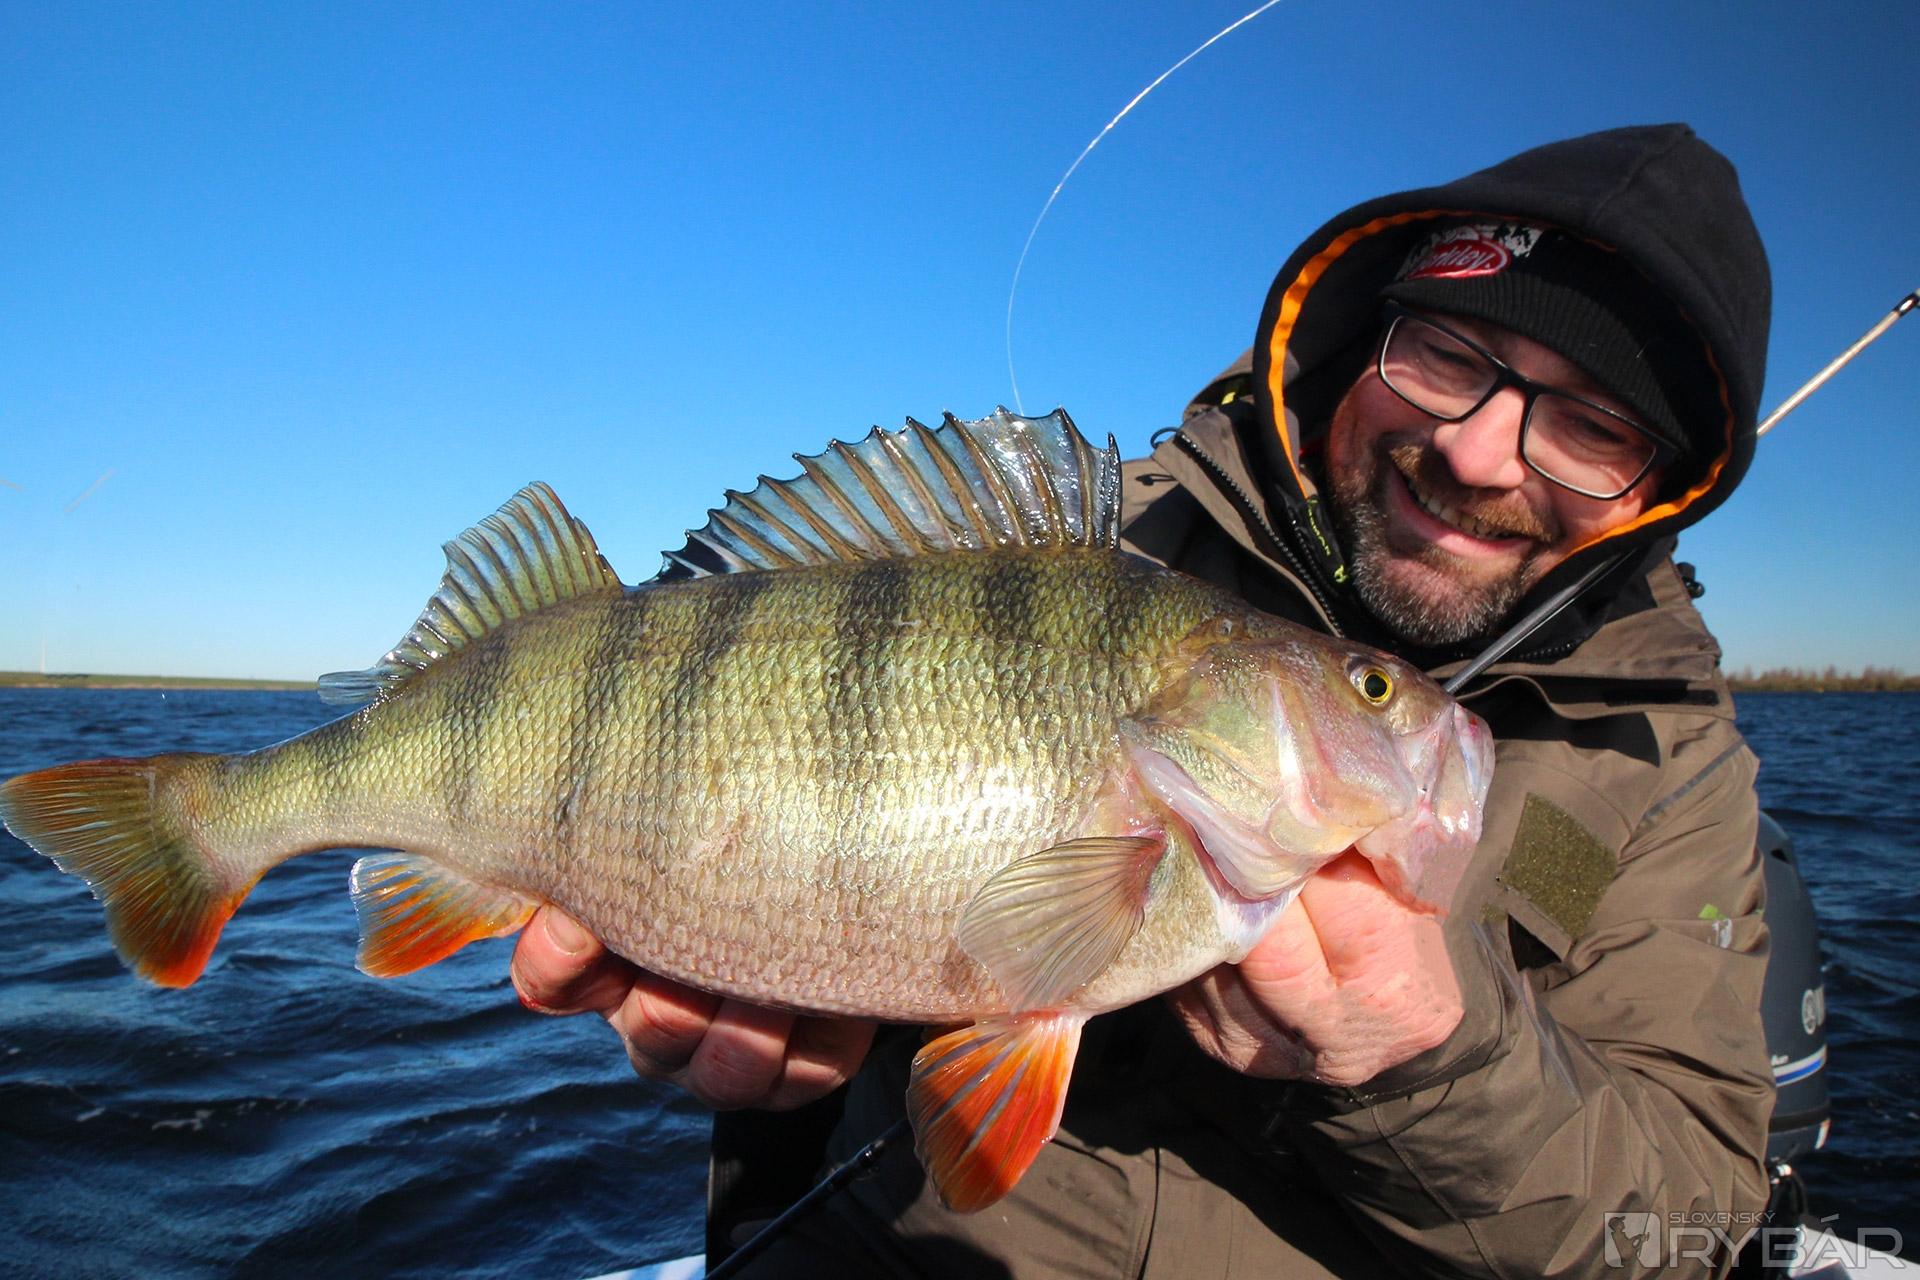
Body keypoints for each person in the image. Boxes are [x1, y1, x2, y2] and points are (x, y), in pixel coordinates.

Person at [512, 123, 1775, 1278]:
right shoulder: (1096, 546)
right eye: (1448, 355)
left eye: (1593, 426)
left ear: (1660, 488)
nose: (1478, 449)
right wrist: (779, 1043)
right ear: (1358, 341)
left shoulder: (1668, 763)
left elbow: (1691, 1226)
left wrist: (1428, 1069)